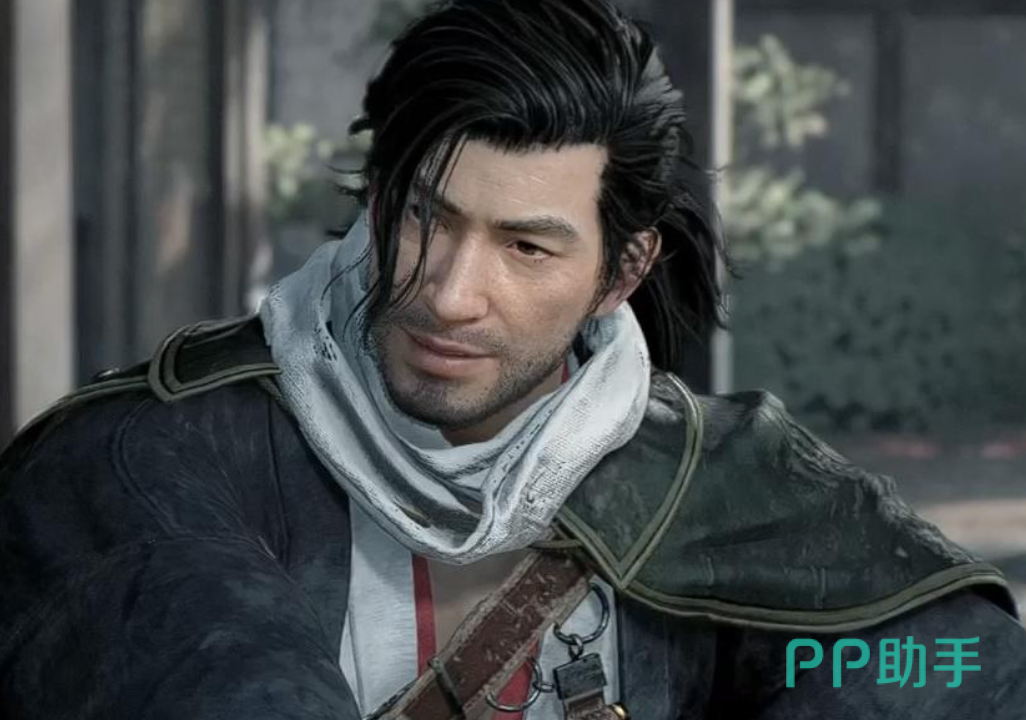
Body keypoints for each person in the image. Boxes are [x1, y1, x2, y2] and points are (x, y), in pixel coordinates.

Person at [1, 0, 1023, 718]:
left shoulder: (713, 479)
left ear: (621, 272)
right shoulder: (159, 451)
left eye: (526, 248)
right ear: (376, 203)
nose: (450, 293)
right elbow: (208, 669)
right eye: (424, 218)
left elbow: (948, 659)